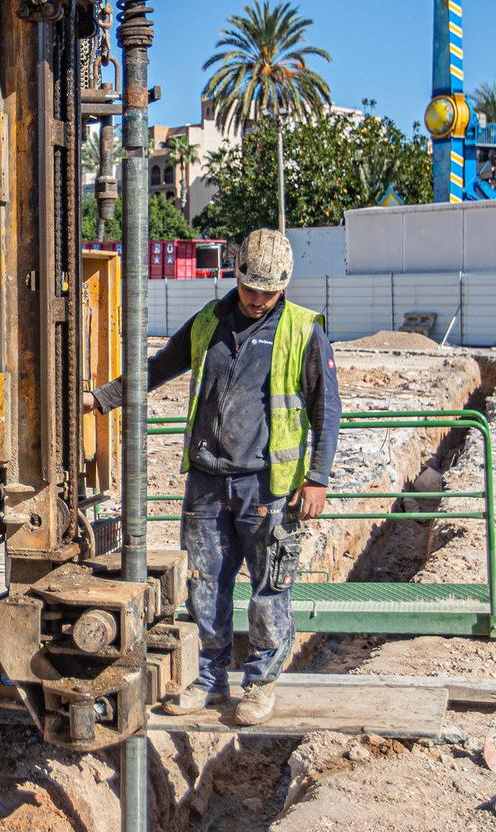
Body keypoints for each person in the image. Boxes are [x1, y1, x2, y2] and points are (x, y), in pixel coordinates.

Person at [84, 228, 340, 725]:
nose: (258, 300)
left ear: (284, 285)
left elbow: (326, 409)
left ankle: (261, 682)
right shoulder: (209, 323)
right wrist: (105, 397)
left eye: (268, 292)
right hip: (206, 480)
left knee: (269, 587)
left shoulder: (303, 331)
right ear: (236, 274)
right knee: (205, 584)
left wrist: (318, 478)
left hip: (266, 485)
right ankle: (210, 678)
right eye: (250, 289)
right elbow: (160, 366)